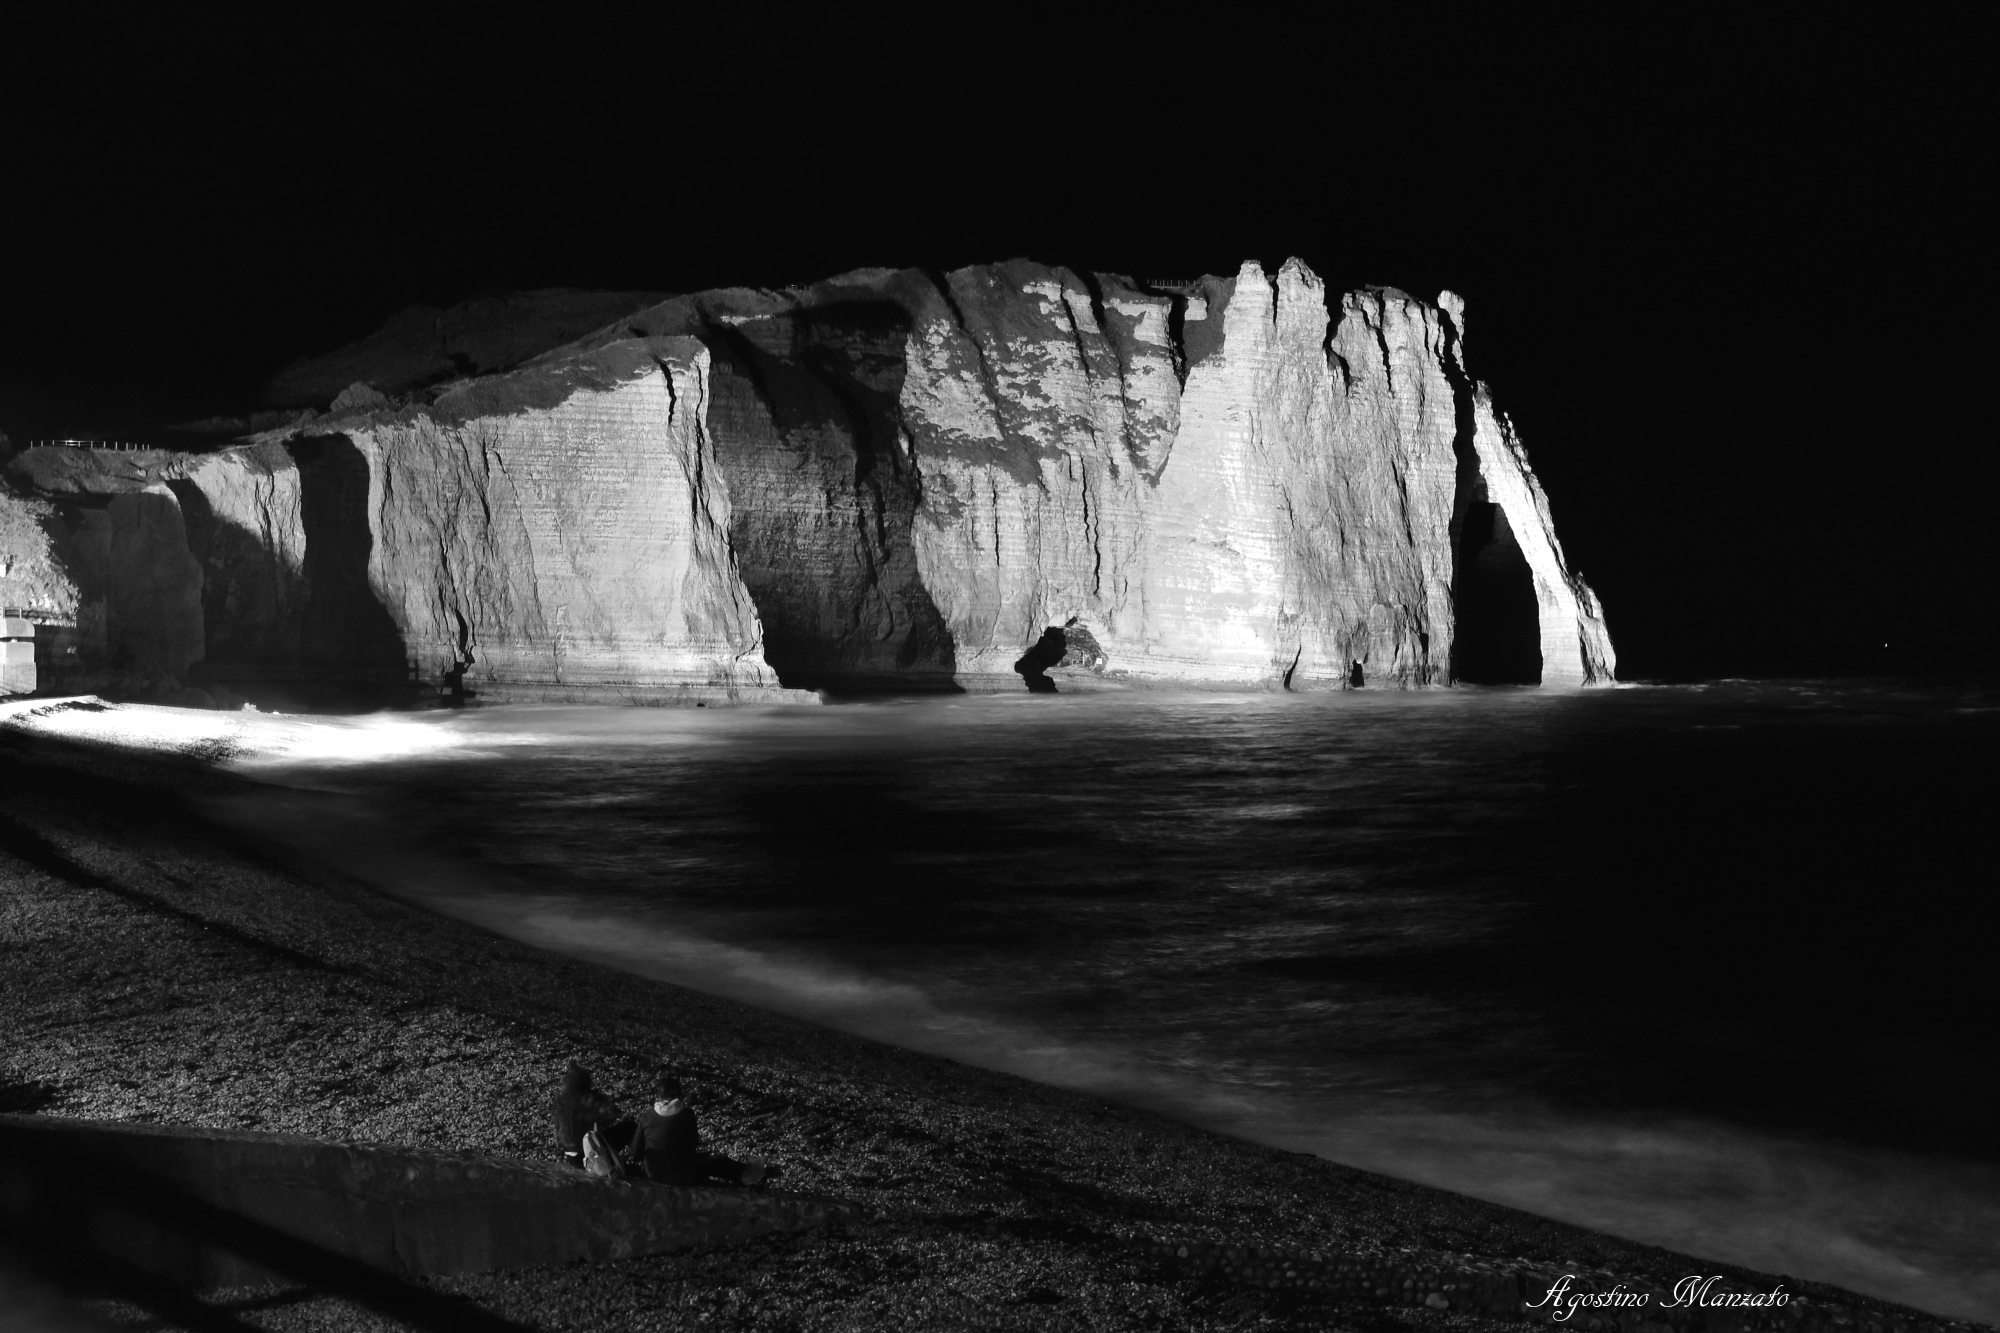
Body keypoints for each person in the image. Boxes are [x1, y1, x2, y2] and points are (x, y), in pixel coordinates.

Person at [625, 1074, 767, 1186]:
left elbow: (635, 1152)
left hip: (653, 1173)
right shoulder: (686, 1114)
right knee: (718, 1160)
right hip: (679, 1176)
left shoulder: (647, 1116)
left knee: (709, 1159)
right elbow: (690, 1146)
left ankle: (745, 1175)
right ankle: (746, 1176)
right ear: (676, 1093)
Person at [550, 1063, 634, 1169]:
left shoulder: (560, 1103)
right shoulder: (589, 1100)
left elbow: (557, 1137)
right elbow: (612, 1113)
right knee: (630, 1126)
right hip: (590, 1152)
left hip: (570, 1153)